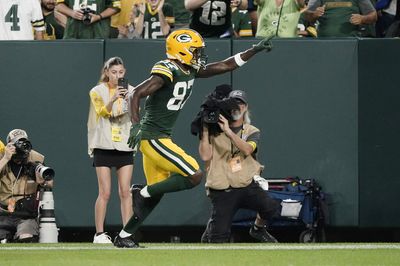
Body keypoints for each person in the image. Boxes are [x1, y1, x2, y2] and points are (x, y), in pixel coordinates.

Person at [113, 28, 273, 248]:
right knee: (194, 175)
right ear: (182, 51)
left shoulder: (189, 69)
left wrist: (253, 50)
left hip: (160, 137)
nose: (199, 55)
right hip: (153, 137)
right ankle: (140, 192)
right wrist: (136, 124)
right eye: (195, 51)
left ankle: (124, 235)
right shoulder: (168, 69)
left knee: (156, 193)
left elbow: (226, 65)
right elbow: (135, 93)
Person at [198, 89, 279, 243]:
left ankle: (257, 229)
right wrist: (205, 130)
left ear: (246, 107)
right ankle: (212, 227)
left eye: (240, 104)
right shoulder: (214, 130)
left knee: (271, 207)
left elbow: (248, 149)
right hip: (223, 188)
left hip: (246, 184)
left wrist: (228, 131)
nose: (237, 107)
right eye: (233, 103)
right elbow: (205, 156)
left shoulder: (251, 130)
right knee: (218, 239)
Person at [87, 57, 135, 244]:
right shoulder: (97, 91)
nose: (117, 76)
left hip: (124, 145)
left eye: (121, 72)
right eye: (114, 72)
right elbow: (103, 112)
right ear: (106, 72)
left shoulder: (131, 90)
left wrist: (127, 98)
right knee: (105, 192)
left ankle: (127, 233)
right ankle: (99, 234)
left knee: (125, 191)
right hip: (103, 145)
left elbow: (134, 111)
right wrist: (115, 98)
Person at [0, 129, 53, 243]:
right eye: (17, 143)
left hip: (26, 216)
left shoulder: (35, 158)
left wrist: (42, 181)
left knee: (26, 238)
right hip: (3, 214)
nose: (21, 147)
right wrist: (5, 158)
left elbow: (50, 182)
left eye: (24, 142)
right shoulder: (2, 157)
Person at [303, 0, 377, 37]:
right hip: (324, 41)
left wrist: (362, 19)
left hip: (351, 42)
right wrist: (314, 14)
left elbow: (374, 16)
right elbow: (307, 16)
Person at [55, 0, 121, 39]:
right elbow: (58, 4)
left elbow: (116, 6)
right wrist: (71, 13)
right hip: (73, 31)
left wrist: (99, 16)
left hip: (99, 32)